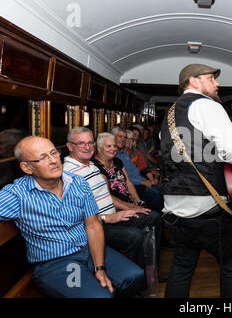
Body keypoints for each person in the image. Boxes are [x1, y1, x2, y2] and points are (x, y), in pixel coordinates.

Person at [0, 136, 144, 298]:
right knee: (100, 297)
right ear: (27, 168)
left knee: (134, 276)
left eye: (54, 153)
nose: (53, 160)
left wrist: (99, 267)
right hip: (58, 264)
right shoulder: (17, 194)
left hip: (88, 250)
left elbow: (93, 225)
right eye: (43, 158)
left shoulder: (78, 183)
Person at [159, 63, 232, 298]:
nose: (217, 84)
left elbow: (180, 151)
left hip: (175, 209)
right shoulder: (206, 106)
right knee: (231, 262)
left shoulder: (169, 114)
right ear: (194, 82)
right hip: (208, 207)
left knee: (181, 267)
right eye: (211, 78)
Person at [63, 127, 161, 268]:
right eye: (81, 143)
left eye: (90, 143)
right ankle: (133, 277)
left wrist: (131, 207)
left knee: (152, 217)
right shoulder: (69, 173)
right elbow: (76, 214)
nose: (87, 147)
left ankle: (150, 271)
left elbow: (110, 192)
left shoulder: (91, 165)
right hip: (97, 223)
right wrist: (108, 217)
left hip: (113, 215)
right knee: (135, 236)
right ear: (70, 146)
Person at [112, 126, 163, 212]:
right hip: (128, 186)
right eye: (121, 137)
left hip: (136, 182)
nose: (126, 140)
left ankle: (160, 217)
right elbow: (123, 177)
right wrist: (142, 181)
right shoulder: (113, 154)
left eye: (128, 138)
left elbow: (138, 170)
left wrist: (147, 180)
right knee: (154, 193)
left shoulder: (124, 153)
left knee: (158, 189)